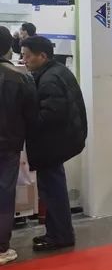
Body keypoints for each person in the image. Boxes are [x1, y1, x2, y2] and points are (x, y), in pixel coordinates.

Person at [20, 36, 87, 252]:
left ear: (42, 56)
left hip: (52, 144)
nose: (24, 60)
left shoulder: (49, 79)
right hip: (59, 142)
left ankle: (60, 235)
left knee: (52, 190)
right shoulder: (56, 72)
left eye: (27, 56)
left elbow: (50, 115)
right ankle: (56, 232)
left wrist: (26, 119)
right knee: (52, 188)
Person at [0, 26, 36, 265]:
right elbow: (31, 115)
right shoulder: (20, 77)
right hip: (9, 145)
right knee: (4, 193)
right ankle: (1, 247)